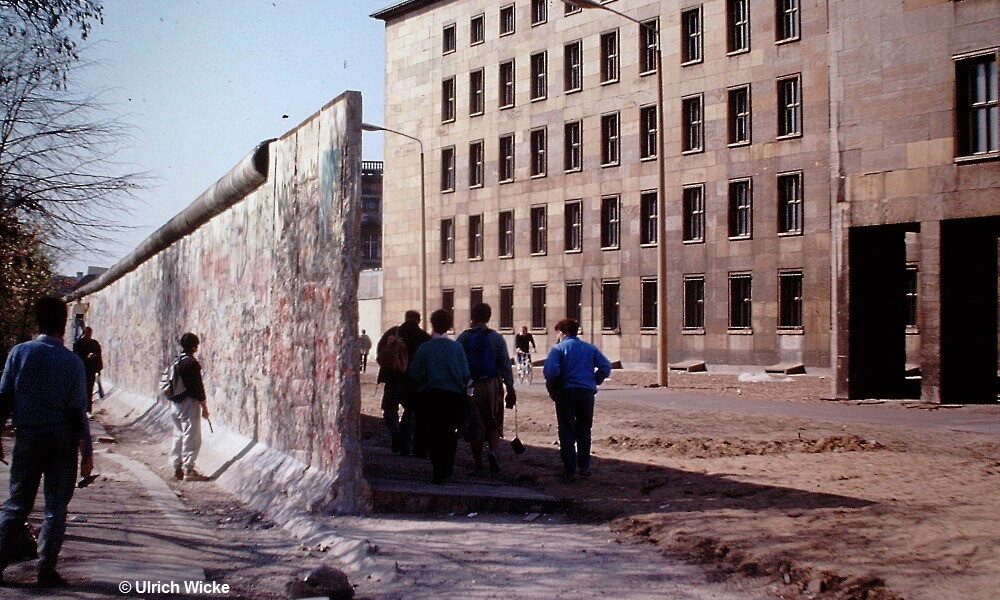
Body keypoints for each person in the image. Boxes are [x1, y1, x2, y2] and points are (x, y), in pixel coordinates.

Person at [0, 296, 94, 588]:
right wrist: (87, 453)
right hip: (62, 442)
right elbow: (78, 411)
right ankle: (46, 570)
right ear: (63, 324)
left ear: (37, 322)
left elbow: (3, 398)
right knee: (56, 507)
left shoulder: (19, 353)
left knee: (17, 504)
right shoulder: (73, 362)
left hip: (27, 436)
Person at [543, 318, 612, 481]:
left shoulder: (558, 349)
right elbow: (606, 367)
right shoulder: (589, 348)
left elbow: (551, 372)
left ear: (563, 332)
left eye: (558, 332)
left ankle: (569, 468)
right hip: (586, 393)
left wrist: (555, 388)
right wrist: (595, 380)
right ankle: (584, 467)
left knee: (566, 430)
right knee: (584, 429)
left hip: (566, 393)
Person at [407, 310, 470, 484]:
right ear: (449, 326)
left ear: (432, 324)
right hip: (453, 396)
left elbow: (415, 374)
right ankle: (447, 466)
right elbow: (465, 374)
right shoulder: (457, 348)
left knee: (433, 431)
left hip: (430, 396)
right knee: (450, 432)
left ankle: (437, 467)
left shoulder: (425, 348)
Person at [457, 303, 516, 475]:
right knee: (493, 420)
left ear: (472, 317)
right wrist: (510, 387)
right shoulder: (496, 338)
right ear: (489, 317)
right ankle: (493, 452)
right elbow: (505, 363)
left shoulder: (463, 338)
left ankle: (478, 464)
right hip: (493, 385)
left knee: (476, 423)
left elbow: (459, 363)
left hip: (472, 385)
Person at [169, 333, 209, 482]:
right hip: (189, 403)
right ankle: (189, 469)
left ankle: (177, 466)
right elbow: (198, 387)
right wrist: (204, 406)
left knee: (178, 434)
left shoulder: (176, 361)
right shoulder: (192, 363)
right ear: (193, 346)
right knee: (192, 436)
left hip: (175, 404)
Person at [72, 327, 103, 415]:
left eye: (89, 334)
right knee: (81, 391)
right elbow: (76, 357)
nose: (88, 335)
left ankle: (88, 410)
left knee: (89, 390)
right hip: (81, 371)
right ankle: (80, 409)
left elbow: (99, 355)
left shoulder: (94, 344)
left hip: (91, 371)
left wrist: (98, 369)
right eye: (86, 334)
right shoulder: (78, 344)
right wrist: (86, 358)